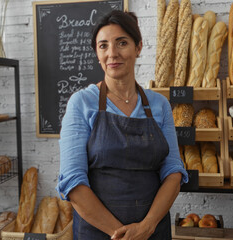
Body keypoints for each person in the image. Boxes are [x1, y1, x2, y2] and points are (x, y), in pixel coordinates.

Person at [56, 10, 188, 240]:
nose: (112, 53)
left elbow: (173, 172)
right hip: (98, 232)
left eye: (122, 43)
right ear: (97, 53)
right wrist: (122, 235)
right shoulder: (82, 103)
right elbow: (73, 182)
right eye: (103, 46)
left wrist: (147, 226)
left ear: (138, 47)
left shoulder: (160, 105)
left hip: (153, 231)